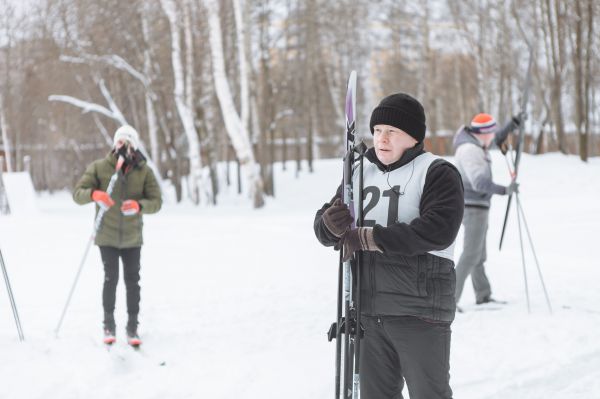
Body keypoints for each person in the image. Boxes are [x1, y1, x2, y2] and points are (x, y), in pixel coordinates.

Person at [314, 93, 464, 399]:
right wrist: (328, 225)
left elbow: (438, 230)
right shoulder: (357, 171)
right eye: (378, 130)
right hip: (367, 311)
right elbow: (325, 226)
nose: (382, 139)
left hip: (419, 311)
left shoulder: (437, 172)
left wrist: (369, 238)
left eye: (392, 132)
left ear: (413, 136)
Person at [73, 125, 162, 346]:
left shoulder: (143, 171)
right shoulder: (101, 168)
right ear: (115, 144)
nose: (123, 147)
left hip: (132, 237)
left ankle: (132, 327)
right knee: (110, 279)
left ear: (134, 146)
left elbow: (157, 202)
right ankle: (108, 325)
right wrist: (95, 194)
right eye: (120, 142)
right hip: (107, 236)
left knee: (133, 281)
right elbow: (77, 194)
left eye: (127, 142)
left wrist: (139, 206)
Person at [452, 113, 522, 307]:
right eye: (490, 133)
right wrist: (504, 190)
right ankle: (449, 300)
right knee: (471, 254)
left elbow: (498, 137)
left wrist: (512, 125)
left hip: (479, 206)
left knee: (479, 255)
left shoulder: (477, 143)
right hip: (472, 207)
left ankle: (483, 295)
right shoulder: (470, 150)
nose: (493, 137)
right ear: (483, 134)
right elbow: (479, 182)